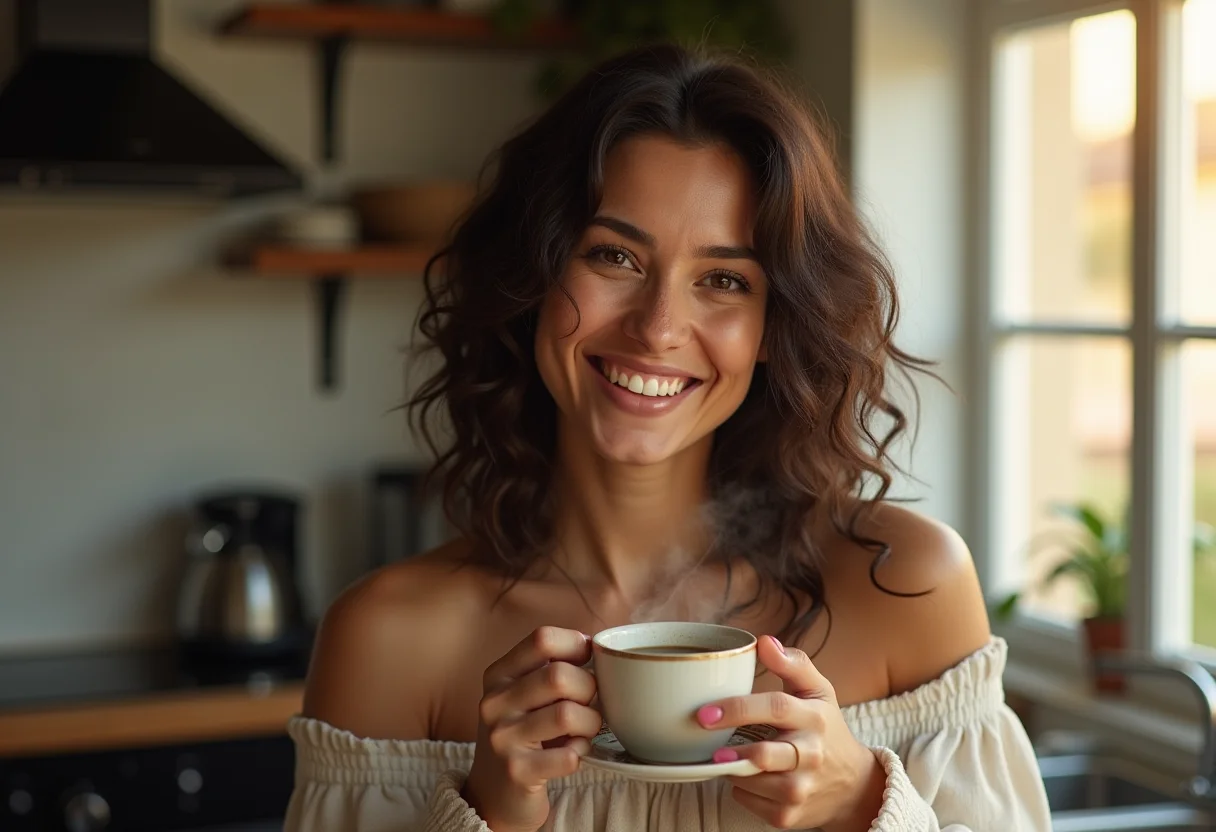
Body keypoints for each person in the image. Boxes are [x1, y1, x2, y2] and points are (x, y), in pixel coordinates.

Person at [285, 44, 1051, 832]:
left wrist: (860, 802)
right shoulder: (387, 643)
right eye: (613, 256)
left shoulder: (905, 590)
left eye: (724, 280)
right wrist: (490, 813)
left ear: (772, 328)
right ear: (533, 281)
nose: (657, 329)